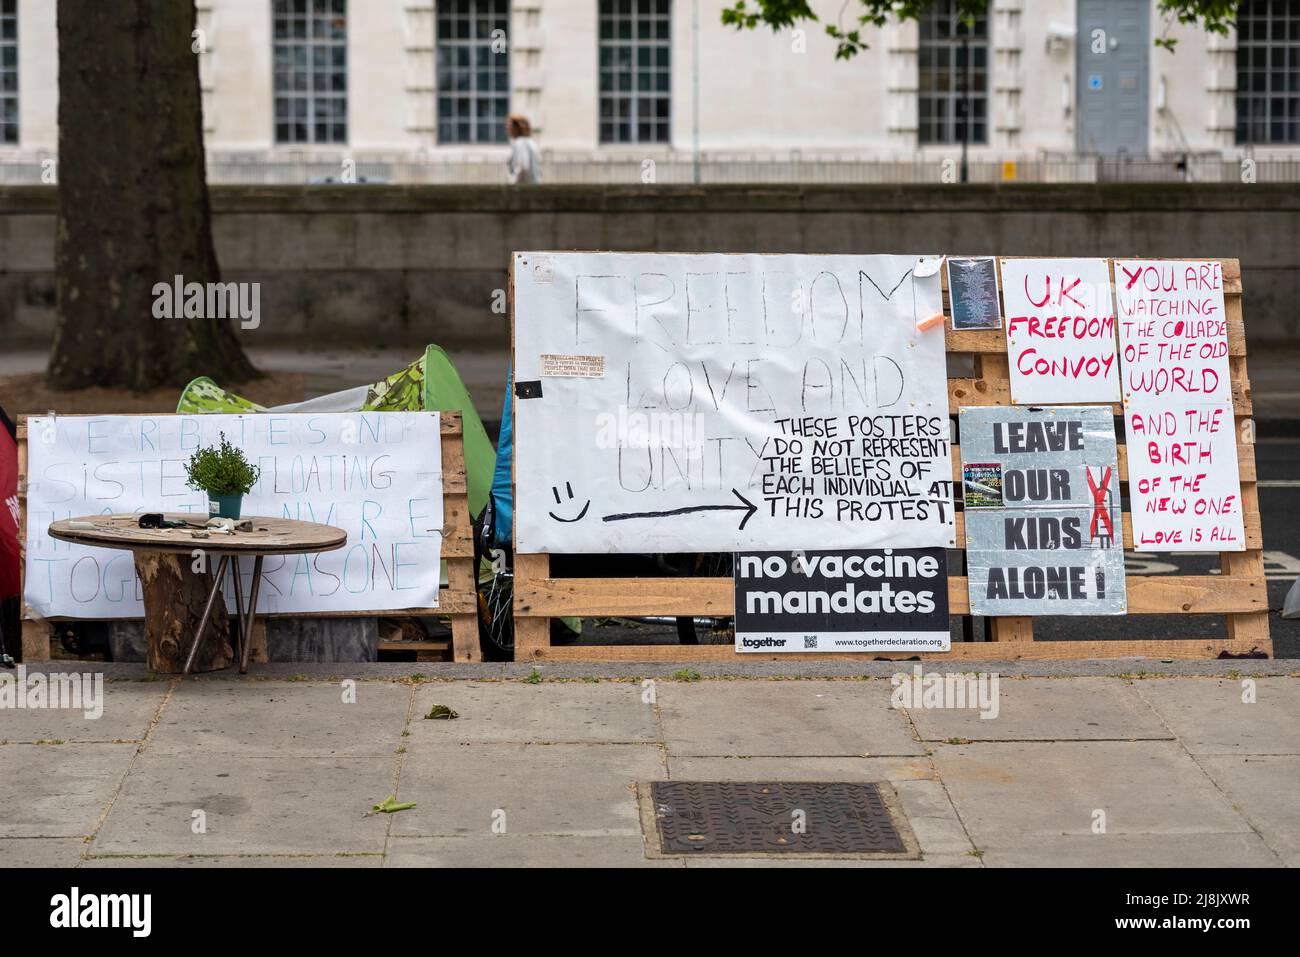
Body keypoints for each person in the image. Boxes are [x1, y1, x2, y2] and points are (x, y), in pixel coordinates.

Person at [506, 113, 540, 185]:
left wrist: (513, 183)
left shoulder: (521, 143)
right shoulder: (529, 142)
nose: (507, 128)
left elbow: (523, 168)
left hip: (523, 190)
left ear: (517, 127)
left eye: (509, 125)